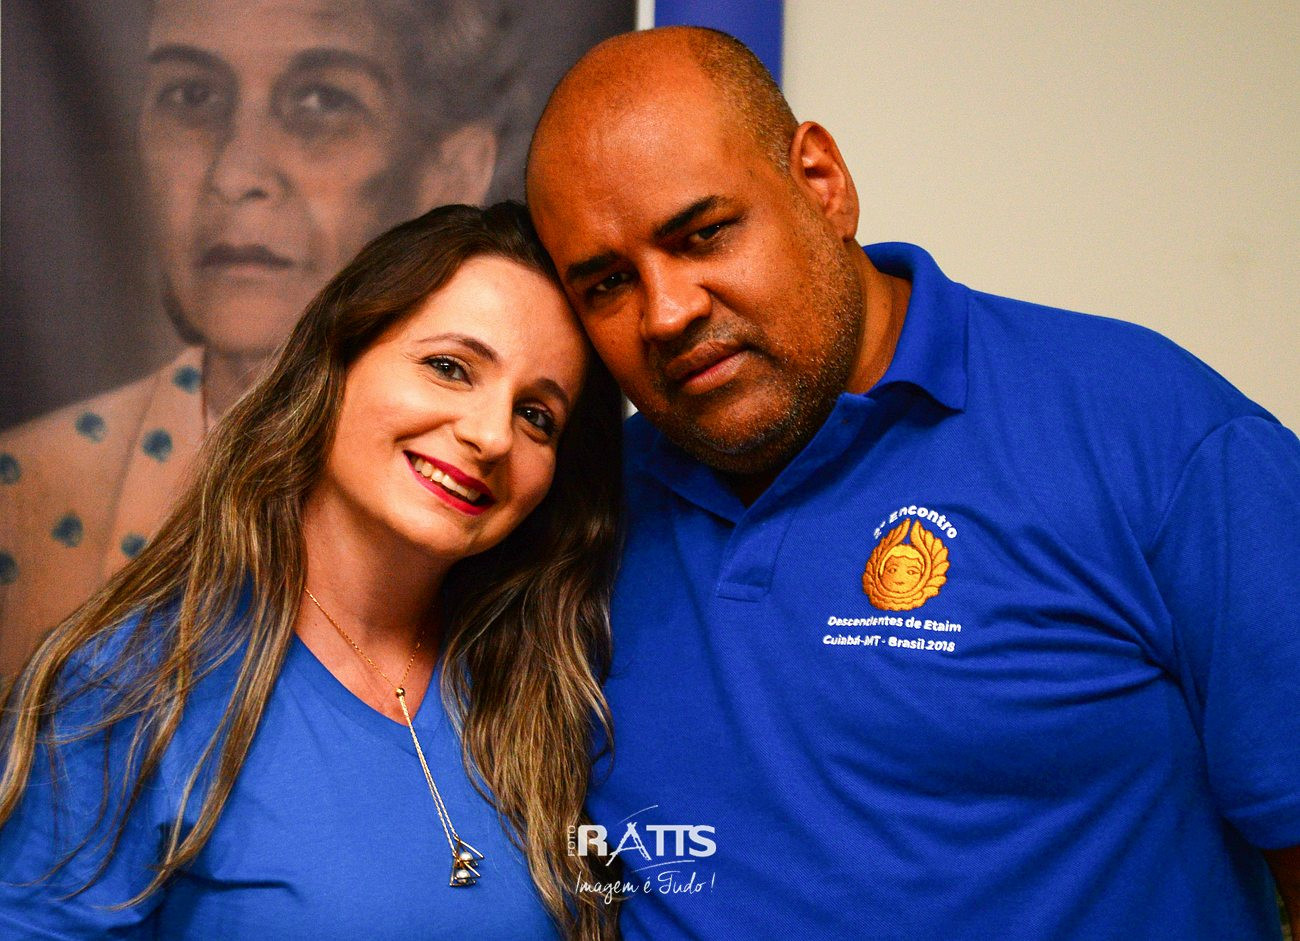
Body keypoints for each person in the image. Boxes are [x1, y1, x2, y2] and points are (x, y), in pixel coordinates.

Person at [525, 26, 1300, 940]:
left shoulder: (1153, 432)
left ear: (822, 182)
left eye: (703, 235)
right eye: (608, 284)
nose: (666, 312)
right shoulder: (573, 516)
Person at [0, 202, 623, 941]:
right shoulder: (130, 685)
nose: (491, 435)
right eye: (449, 367)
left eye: (537, 415)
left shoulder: (555, 689)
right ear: (334, 363)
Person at [0, 0, 516, 675]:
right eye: (191, 96)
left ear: (450, 173)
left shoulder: (503, 520)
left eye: (321, 102)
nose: (235, 175)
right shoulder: (25, 493)